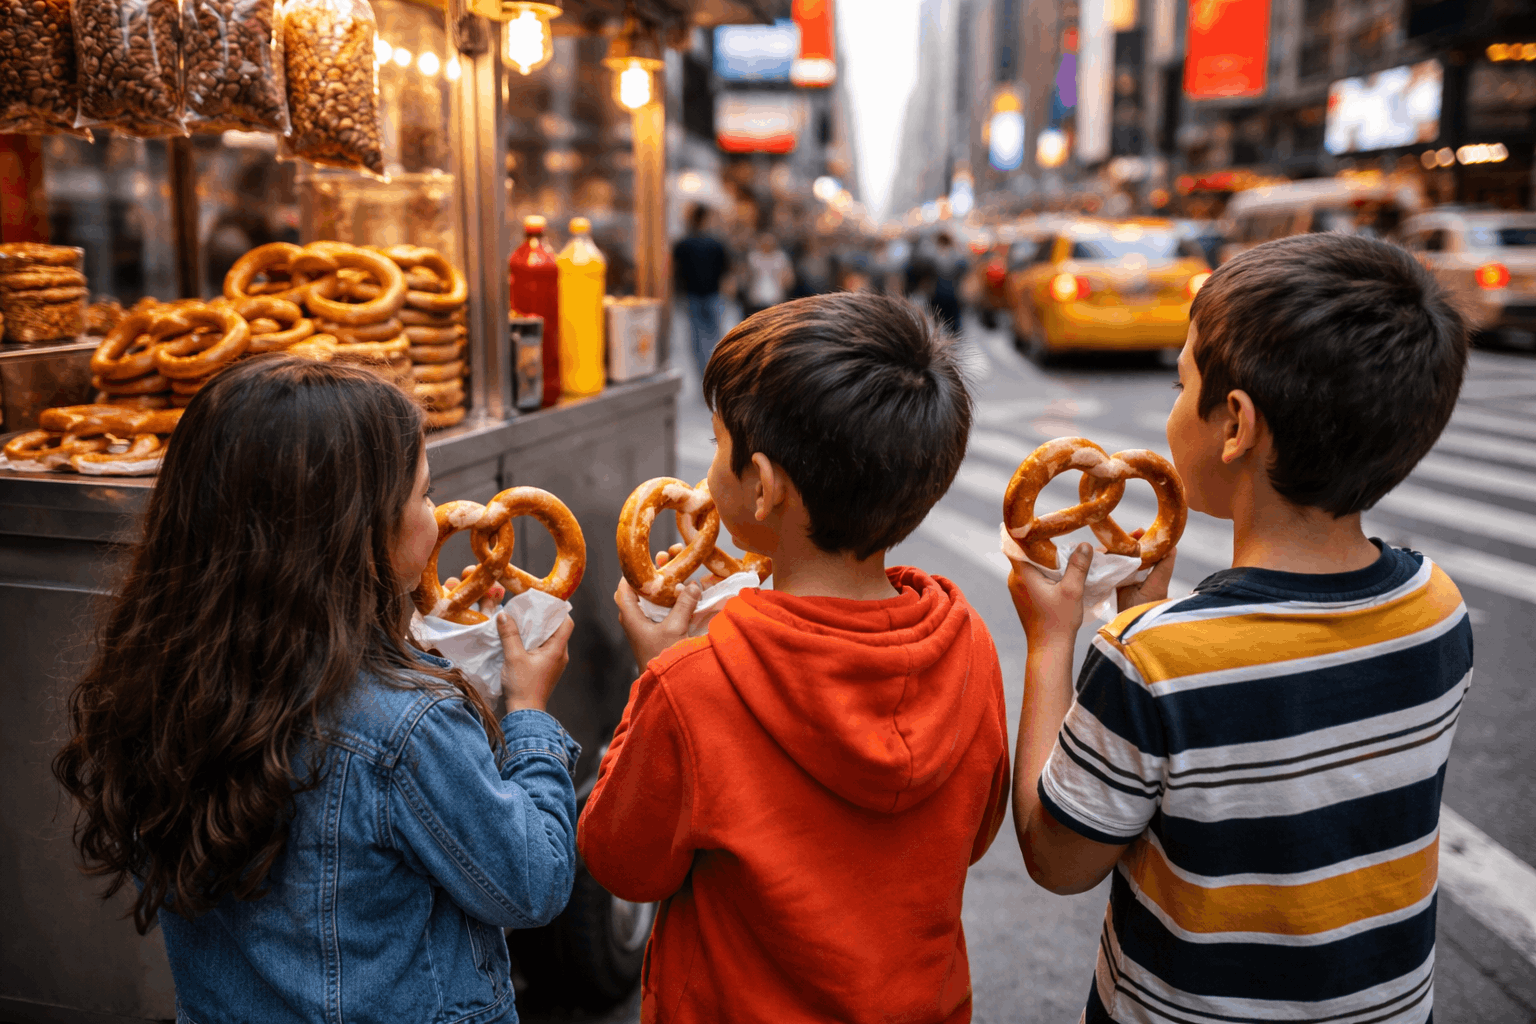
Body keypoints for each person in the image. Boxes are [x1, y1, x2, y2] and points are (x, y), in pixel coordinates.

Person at [1008, 233, 1472, 1023]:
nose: (1171, 404)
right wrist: (1148, 618)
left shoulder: (1151, 661)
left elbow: (1057, 856)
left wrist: (1052, 642)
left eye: (1181, 381)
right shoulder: (1437, 606)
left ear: (1234, 424)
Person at [53, 358, 580, 1024]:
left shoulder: (161, 684)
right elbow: (531, 884)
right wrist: (528, 708)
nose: (436, 513)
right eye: (424, 494)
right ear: (357, 533)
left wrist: (418, 656)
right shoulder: (409, 730)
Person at [579, 292, 1010, 1024]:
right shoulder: (967, 644)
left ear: (765, 486)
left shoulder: (692, 685)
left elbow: (623, 863)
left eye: (717, 444)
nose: (708, 469)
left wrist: (654, 678)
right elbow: (970, 835)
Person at [673, 204, 731, 377]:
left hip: (692, 296)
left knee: (697, 340)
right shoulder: (716, 243)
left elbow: (676, 272)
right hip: (713, 295)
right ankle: (717, 371)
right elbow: (726, 271)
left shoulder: (683, 244)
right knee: (717, 337)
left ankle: (703, 375)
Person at [742, 232, 793, 318]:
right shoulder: (753, 257)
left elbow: (789, 280)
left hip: (776, 299)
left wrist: (783, 278)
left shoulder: (781, 257)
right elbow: (745, 278)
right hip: (756, 299)